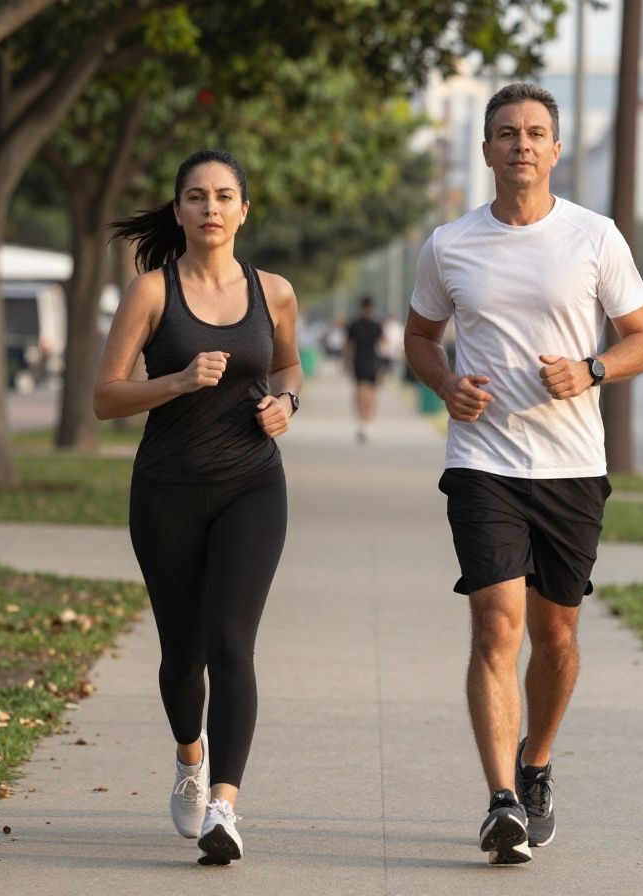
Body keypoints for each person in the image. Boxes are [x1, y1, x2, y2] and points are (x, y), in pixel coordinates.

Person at [404, 83, 643, 865]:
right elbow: (419, 337)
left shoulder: (595, 237)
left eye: (536, 132)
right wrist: (448, 386)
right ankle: (501, 801)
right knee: (496, 625)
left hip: (573, 467)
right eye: (507, 132)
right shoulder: (449, 244)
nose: (521, 144)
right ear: (486, 151)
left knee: (556, 636)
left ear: (554, 150)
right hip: (482, 463)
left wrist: (591, 370)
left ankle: (536, 763)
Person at [95, 149, 302, 866]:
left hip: (253, 484)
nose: (210, 208)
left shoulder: (274, 291)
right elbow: (105, 397)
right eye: (195, 197)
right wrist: (179, 380)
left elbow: (288, 364)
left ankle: (224, 805)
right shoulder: (152, 293)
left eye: (223, 196)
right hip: (167, 491)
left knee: (231, 644)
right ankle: (190, 757)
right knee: (182, 658)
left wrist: (288, 402)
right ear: (179, 211)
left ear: (244, 209)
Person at [344, 295, 384, 442]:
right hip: (373, 360)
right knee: (372, 392)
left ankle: (362, 422)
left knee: (360, 390)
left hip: (358, 360)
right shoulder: (377, 324)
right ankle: (369, 421)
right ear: (371, 308)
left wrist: (346, 363)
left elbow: (348, 346)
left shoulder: (354, 324)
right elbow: (382, 343)